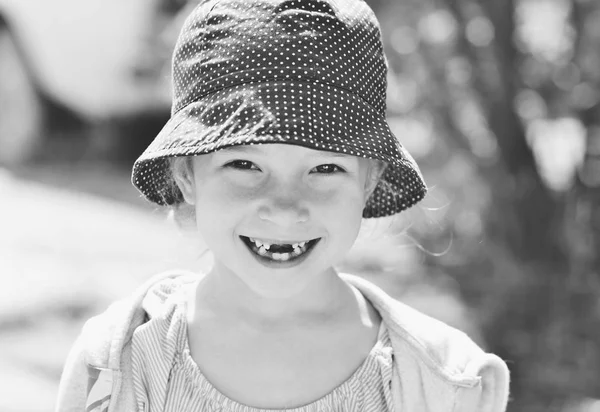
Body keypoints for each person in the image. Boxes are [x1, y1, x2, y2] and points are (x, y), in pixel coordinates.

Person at [56, 0, 510, 411]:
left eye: (326, 169)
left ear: (370, 180)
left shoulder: (444, 384)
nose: (285, 208)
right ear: (185, 173)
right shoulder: (117, 368)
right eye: (245, 163)